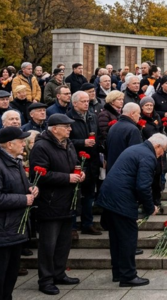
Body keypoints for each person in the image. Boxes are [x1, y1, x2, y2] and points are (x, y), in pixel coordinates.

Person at [97, 134, 167, 288]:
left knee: (116, 239)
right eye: (163, 150)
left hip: (110, 197)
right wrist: (150, 208)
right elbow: (143, 186)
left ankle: (118, 272)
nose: (162, 154)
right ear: (157, 146)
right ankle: (128, 276)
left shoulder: (136, 149)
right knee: (128, 239)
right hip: (121, 200)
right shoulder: (148, 156)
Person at [0, 126, 38, 300]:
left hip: (14, 228)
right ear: (10, 144)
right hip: (0, 230)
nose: (24, 144)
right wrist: (23, 199)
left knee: (9, 277)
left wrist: (30, 188)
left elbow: (15, 186)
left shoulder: (14, 161)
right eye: (21, 141)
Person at [29, 114, 85, 296]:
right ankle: (45, 280)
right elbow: (39, 175)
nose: (70, 129)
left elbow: (75, 163)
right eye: (66, 126)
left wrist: (80, 172)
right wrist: (67, 178)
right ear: (54, 129)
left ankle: (59, 274)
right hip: (50, 202)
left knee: (63, 242)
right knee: (48, 244)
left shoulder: (68, 143)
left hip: (67, 200)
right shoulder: (42, 146)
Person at [66, 91, 100, 236]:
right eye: (83, 101)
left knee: (89, 195)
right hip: (76, 162)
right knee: (75, 195)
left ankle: (88, 224)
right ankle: (72, 227)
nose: (87, 103)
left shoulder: (92, 116)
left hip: (92, 162)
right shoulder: (68, 118)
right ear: (74, 103)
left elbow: (98, 136)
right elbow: (66, 140)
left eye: (87, 101)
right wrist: (82, 142)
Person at [105, 103, 143, 173]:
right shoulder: (133, 130)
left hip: (112, 169)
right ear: (132, 113)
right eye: (138, 113)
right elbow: (136, 154)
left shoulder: (113, 126)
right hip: (126, 171)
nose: (140, 116)